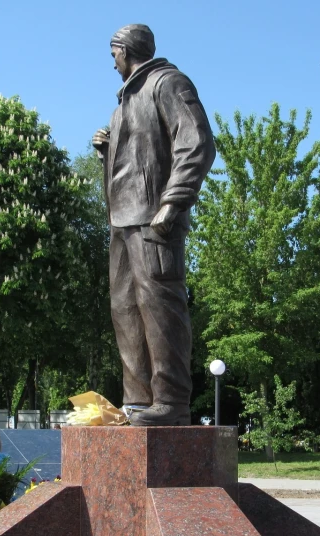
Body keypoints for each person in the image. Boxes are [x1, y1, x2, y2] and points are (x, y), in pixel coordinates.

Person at [92, 24, 215, 426]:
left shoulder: (168, 82)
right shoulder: (123, 102)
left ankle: (171, 401)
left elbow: (196, 143)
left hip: (153, 217)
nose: (113, 63)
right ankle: (138, 400)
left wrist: (173, 203)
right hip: (122, 221)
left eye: (114, 54)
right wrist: (107, 151)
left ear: (125, 50)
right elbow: (138, 159)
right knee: (125, 309)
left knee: (160, 306)